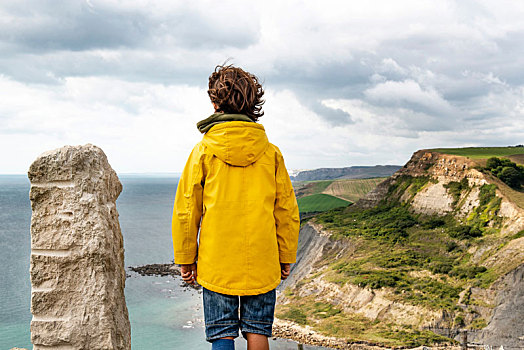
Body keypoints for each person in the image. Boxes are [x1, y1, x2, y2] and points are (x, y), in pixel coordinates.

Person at [171, 64, 300, 350]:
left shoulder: (203, 151)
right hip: (263, 259)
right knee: (258, 330)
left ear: (214, 103)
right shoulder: (271, 153)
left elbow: (185, 210)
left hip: (217, 262)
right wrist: (286, 254)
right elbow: (287, 212)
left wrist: (185, 258)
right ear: (254, 104)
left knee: (221, 332)